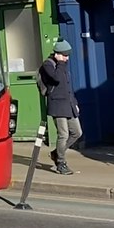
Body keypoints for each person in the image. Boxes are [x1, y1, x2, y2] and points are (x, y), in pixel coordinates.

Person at [39, 39, 83, 175]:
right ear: (57, 54)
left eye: (67, 55)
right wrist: (60, 63)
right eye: (64, 55)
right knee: (63, 135)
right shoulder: (48, 64)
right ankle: (61, 163)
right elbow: (56, 79)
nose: (67, 58)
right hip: (57, 105)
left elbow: (68, 87)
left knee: (77, 132)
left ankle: (56, 153)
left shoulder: (61, 65)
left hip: (68, 104)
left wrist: (74, 103)